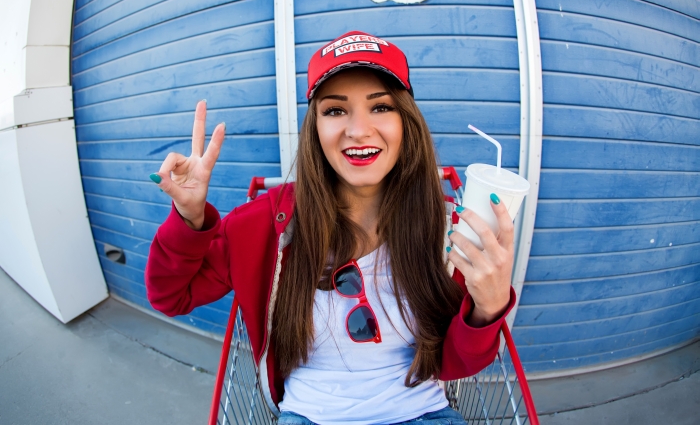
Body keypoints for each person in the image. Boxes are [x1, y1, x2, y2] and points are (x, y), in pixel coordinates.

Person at [145, 31, 516, 425]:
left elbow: (457, 365)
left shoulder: (446, 233)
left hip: (424, 411)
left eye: (380, 107)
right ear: (315, 129)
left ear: (406, 122)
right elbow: (171, 297)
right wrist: (189, 218)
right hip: (309, 415)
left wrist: (488, 309)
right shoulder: (262, 226)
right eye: (335, 110)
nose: (358, 130)